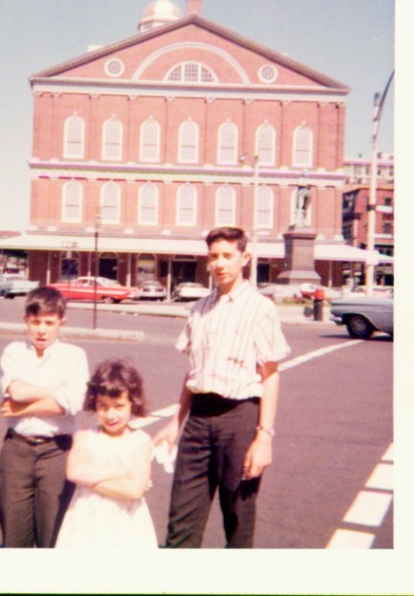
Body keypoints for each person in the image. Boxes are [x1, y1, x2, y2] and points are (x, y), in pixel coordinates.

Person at [154, 226, 290, 548]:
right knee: (181, 522)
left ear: (245, 257)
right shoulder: (199, 309)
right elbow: (192, 373)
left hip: (239, 418)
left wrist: (264, 436)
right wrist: (176, 421)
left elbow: (270, 375)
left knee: (238, 518)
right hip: (199, 421)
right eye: (214, 256)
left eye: (228, 256)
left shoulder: (260, 309)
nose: (220, 263)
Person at [0, 286, 89, 548]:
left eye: (49, 323)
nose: (42, 330)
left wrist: (22, 409)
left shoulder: (74, 356)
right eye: (36, 322)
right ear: (26, 320)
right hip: (17, 449)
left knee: (54, 534)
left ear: (62, 322)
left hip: (56, 452)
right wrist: (58, 393)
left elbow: (71, 404)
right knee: (15, 536)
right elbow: (15, 389)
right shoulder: (14, 351)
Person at [55, 358, 158, 548]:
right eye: (103, 406)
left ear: (132, 403)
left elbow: (133, 490)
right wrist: (121, 471)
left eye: (119, 406)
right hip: (86, 521)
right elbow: (74, 472)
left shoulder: (140, 442)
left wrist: (89, 477)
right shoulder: (85, 436)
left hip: (126, 522)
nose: (110, 415)